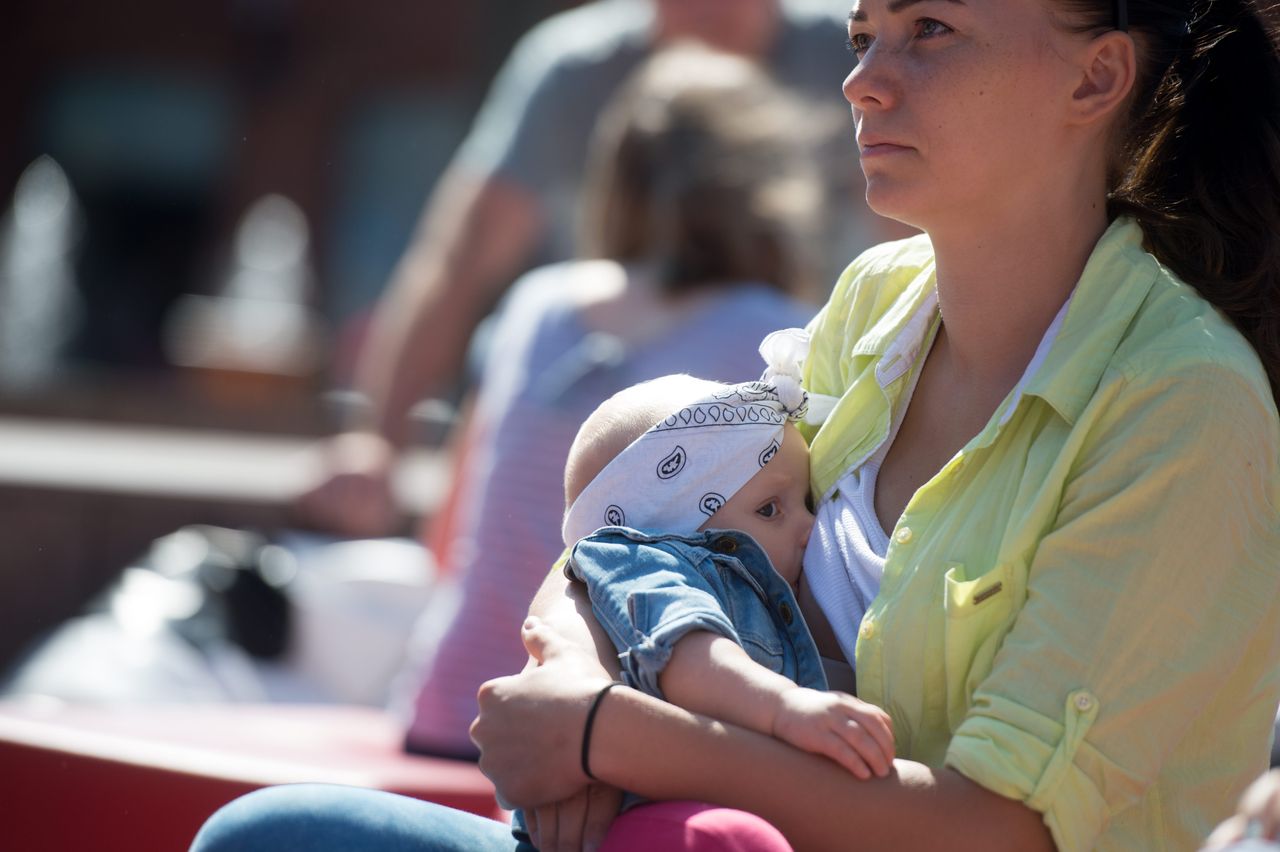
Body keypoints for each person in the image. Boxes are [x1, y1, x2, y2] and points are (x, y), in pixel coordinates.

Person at [193, 0, 1280, 847]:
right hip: (688, 836)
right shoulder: (874, 302)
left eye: (928, 32)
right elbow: (636, 510)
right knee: (265, 835)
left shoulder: (1183, 402)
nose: (861, 79)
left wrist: (610, 737)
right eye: (862, 34)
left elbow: (991, 831)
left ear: (1095, 75)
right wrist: (570, 663)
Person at [296, 0, 910, 539]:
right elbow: (461, 257)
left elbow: (914, 260)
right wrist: (378, 440)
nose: (707, 8)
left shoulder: (855, 50)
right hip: (627, 390)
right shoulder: (573, 71)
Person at [394, 44, 821, 760]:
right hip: (600, 747)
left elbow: (449, 533)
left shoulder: (536, 305)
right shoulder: (775, 339)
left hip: (449, 706)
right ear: (770, 187)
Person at [510, 370, 894, 849]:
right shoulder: (652, 565)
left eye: (807, 501)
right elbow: (691, 656)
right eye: (771, 509)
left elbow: (794, 669)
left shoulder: (754, 595)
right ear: (673, 521)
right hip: (634, 827)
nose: (812, 526)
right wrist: (789, 707)